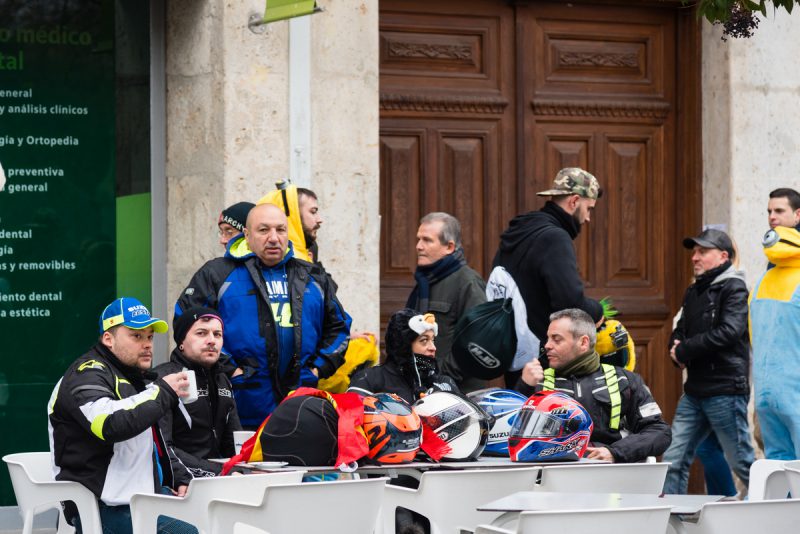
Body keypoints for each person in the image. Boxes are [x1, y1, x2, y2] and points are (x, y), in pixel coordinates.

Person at [176, 203, 350, 427]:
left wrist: (317, 369)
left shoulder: (313, 276)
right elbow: (185, 321)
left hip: (301, 399)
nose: (274, 238)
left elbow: (339, 328)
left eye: (280, 229)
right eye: (263, 230)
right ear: (247, 235)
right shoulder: (217, 273)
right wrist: (232, 372)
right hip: (238, 401)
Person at [47, 297, 197, 534]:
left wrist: (177, 477)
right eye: (136, 336)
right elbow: (108, 425)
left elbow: (152, 446)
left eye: (149, 336)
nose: (147, 344)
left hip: (141, 496)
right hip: (100, 507)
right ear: (108, 338)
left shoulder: (135, 377)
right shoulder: (86, 373)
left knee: (212, 517)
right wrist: (164, 392)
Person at [660, 229, 754, 494]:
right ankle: (674, 520)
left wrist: (685, 350)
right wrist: (674, 348)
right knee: (673, 459)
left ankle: (783, 513)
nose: (694, 257)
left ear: (723, 256)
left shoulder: (734, 287)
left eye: (703, 251)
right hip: (695, 392)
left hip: (725, 389)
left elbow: (729, 332)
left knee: (743, 463)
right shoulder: (694, 290)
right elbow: (681, 328)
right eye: (694, 251)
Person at [516, 308, 670, 463]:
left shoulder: (623, 380)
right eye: (548, 338)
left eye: (556, 339)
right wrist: (524, 387)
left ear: (583, 342)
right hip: (552, 477)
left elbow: (659, 432)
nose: (547, 345)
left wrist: (615, 452)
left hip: (609, 477)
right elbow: (511, 437)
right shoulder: (537, 382)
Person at [493, 168, 604, 367]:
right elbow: (570, 302)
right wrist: (597, 311)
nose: (587, 218)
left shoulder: (522, 230)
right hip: (546, 356)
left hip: (515, 353)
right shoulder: (555, 238)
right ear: (574, 201)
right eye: (589, 209)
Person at [154, 306, 242, 477]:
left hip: (220, 479)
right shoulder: (163, 378)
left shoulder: (223, 379)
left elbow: (233, 443)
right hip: (181, 482)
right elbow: (163, 449)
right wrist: (221, 473)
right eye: (201, 333)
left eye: (217, 334)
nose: (211, 341)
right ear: (181, 342)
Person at [406, 212, 486, 391]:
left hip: (458, 392)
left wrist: (441, 376)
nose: (418, 246)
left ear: (449, 247)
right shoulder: (425, 281)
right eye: (418, 239)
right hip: (422, 386)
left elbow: (477, 342)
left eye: (427, 240)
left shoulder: (468, 283)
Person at [750, 225, 800, 459]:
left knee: (778, 459)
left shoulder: (761, 282)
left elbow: (752, 335)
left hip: (765, 390)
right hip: (795, 387)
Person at [349, 309, 459, 405]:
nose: (433, 347)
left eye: (433, 340)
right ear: (404, 345)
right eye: (424, 340)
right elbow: (351, 421)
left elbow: (465, 422)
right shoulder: (370, 378)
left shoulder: (443, 383)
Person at [258, 181, 322, 263]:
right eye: (313, 212)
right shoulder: (287, 263)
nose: (319, 219)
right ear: (294, 216)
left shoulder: (300, 257)